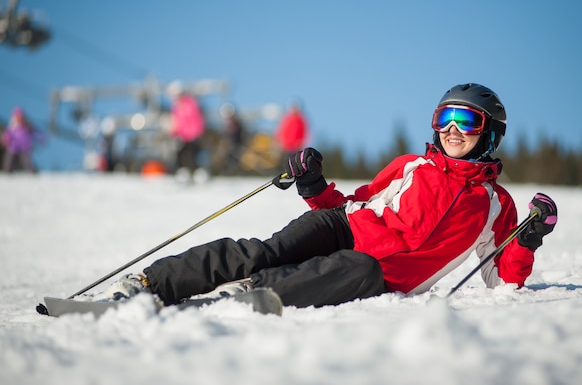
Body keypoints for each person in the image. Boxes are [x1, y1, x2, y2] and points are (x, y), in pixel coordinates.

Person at [92, 83, 558, 308]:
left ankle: (246, 295)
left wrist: (529, 238)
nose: (453, 130)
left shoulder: (497, 206)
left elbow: (504, 280)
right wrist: (314, 186)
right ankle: (151, 282)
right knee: (266, 250)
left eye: (468, 121)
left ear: (490, 133)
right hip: (345, 226)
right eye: (446, 118)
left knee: (353, 267)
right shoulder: (411, 166)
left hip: (381, 272)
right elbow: (354, 204)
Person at [167, 81, 206, 173]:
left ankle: (196, 171)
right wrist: (174, 133)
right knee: (180, 154)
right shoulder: (176, 106)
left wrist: (197, 132)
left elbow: (197, 119)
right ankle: (181, 171)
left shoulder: (190, 103)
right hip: (182, 136)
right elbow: (176, 123)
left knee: (192, 154)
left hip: (192, 135)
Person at [1, 106, 46, 173]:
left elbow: (34, 133)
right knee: (10, 159)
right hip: (14, 146)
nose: (19, 119)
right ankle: (7, 171)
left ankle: (32, 171)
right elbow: (8, 134)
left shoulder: (26, 126)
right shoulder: (12, 127)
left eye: (20, 117)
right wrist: (6, 139)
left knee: (26, 161)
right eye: (17, 117)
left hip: (24, 146)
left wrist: (41, 138)